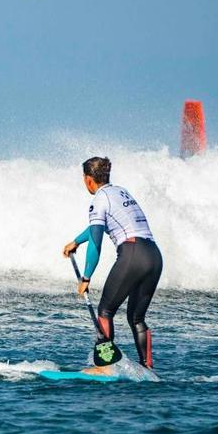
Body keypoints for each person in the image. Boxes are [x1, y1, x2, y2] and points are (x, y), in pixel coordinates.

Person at [63, 157, 163, 369]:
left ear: (88, 179)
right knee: (136, 318)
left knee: (105, 311)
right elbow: (97, 228)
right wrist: (76, 241)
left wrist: (86, 277)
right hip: (154, 256)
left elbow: (96, 243)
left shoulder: (99, 199)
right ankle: (148, 369)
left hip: (132, 254)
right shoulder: (120, 192)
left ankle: (106, 366)